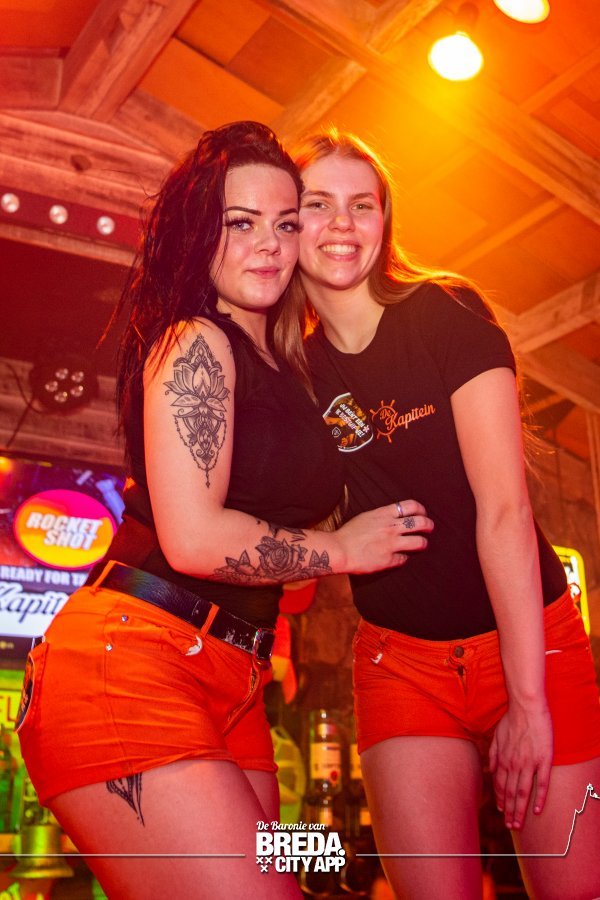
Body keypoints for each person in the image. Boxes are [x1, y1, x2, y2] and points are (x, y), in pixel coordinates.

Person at [15, 122, 433, 900]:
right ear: (200, 233)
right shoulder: (195, 342)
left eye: (285, 223)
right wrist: (343, 549)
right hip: (131, 661)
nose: (267, 244)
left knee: (298, 877)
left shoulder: (296, 368)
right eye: (240, 223)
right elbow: (195, 539)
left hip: (237, 681)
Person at [284, 128, 600, 899]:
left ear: (385, 221)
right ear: (288, 223)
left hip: (530, 644)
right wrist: (334, 545)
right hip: (400, 665)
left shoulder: (444, 311)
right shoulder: (294, 365)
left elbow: (504, 510)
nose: (342, 223)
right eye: (318, 204)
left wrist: (529, 702)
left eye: (362, 205)